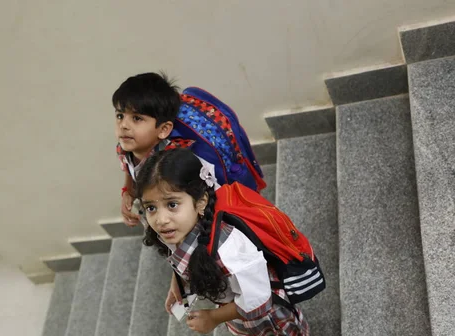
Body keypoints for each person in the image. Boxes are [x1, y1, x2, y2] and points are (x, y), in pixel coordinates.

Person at [135, 148, 309, 335]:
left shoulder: (230, 249)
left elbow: (259, 299)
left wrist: (214, 318)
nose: (161, 220)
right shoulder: (177, 229)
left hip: (266, 317)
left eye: (172, 204)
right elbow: (183, 256)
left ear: (200, 203)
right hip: (236, 310)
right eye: (151, 207)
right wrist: (177, 282)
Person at [113, 72, 188, 227]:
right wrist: (128, 192)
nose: (124, 125)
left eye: (137, 118)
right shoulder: (124, 149)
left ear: (163, 129)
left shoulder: (173, 162)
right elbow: (129, 168)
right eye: (120, 116)